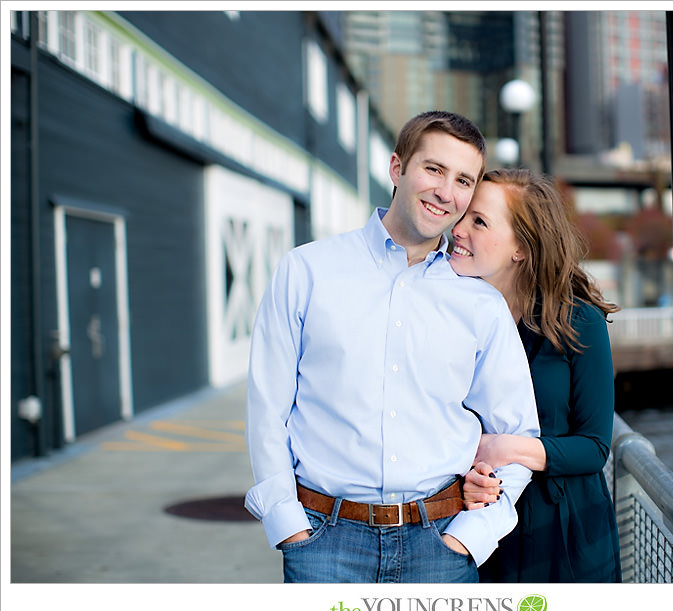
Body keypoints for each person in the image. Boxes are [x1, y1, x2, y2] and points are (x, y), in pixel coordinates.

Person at [244, 112, 540, 583]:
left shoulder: (481, 303)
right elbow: (267, 412)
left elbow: (519, 431)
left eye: (464, 180)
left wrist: (473, 534)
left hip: (441, 543)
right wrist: (289, 527)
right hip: (323, 543)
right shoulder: (306, 271)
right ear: (397, 168)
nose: (446, 191)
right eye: (434, 169)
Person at [451, 167, 622, 583]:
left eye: (479, 221)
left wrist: (504, 447)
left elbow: (595, 446)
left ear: (520, 249)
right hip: (479, 525)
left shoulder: (578, 322)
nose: (457, 229)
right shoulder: (452, 318)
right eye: (463, 215)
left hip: (564, 529)